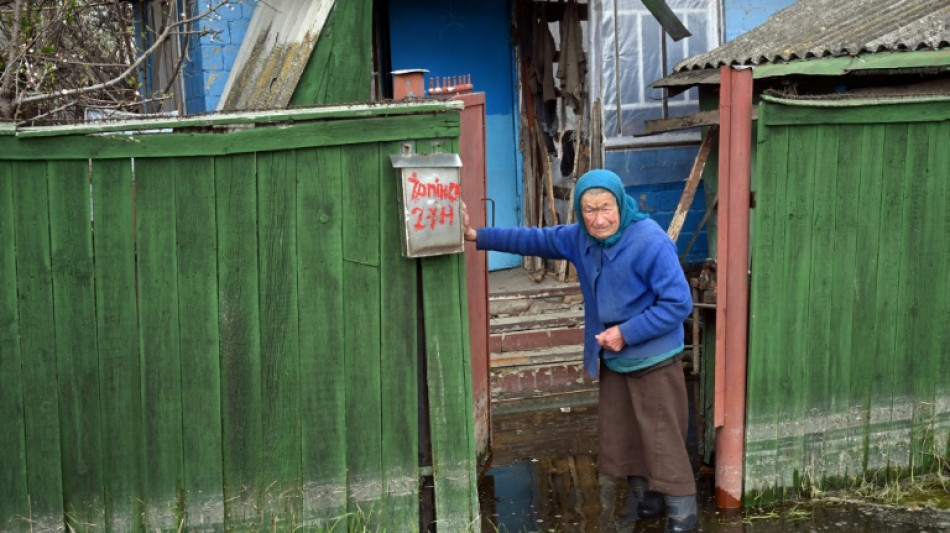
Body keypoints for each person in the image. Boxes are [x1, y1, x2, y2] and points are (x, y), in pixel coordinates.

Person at [463, 169, 698, 532]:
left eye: (605, 208)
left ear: (620, 204)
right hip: (615, 359)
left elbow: (679, 303)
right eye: (589, 210)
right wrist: (476, 235)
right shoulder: (580, 238)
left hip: (653, 360)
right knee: (624, 436)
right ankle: (648, 503)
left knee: (662, 440)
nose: (598, 219)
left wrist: (627, 332)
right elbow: (534, 240)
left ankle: (684, 519)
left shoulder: (649, 241)